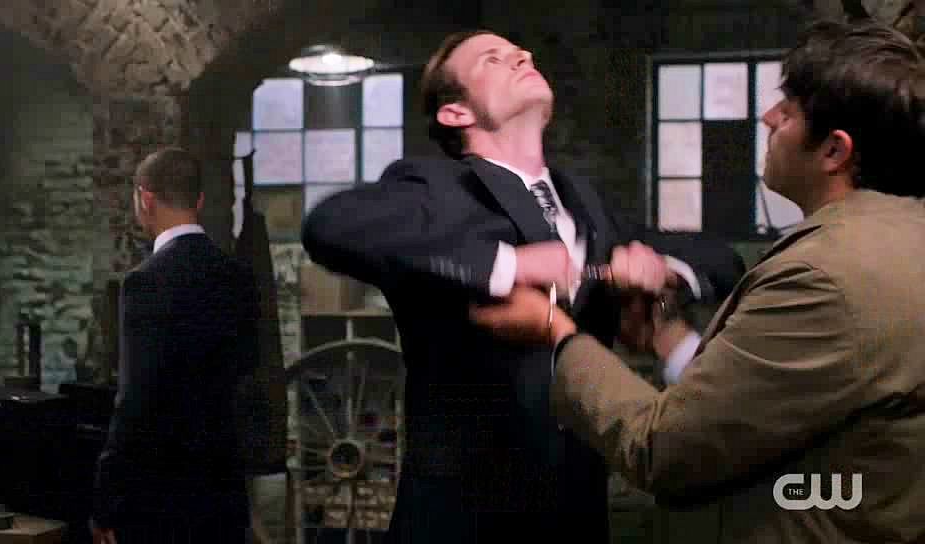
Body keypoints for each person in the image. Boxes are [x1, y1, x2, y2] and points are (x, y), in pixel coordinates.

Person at [470, 19, 925, 543]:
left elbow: (663, 450)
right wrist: (669, 338)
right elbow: (778, 403)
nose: (767, 116)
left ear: (834, 152)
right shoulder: (899, 237)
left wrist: (558, 335)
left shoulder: (826, 276)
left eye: (789, 111)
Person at [302, 30, 744, 542]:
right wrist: (507, 264)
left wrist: (661, 268)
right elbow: (330, 226)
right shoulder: (432, 188)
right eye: (494, 59)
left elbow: (723, 261)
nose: (522, 57)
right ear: (456, 113)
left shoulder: (588, 204)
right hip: (460, 523)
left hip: (576, 517)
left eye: (521, 53)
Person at [91, 147, 261, 543]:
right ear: (198, 201)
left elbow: (134, 400)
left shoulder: (145, 282)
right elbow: (248, 373)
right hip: (224, 493)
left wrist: (105, 496)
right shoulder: (237, 277)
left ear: (145, 200)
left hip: (161, 500)